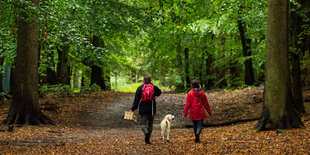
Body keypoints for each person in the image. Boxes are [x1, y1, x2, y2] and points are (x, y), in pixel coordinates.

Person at [130, 76, 161, 144]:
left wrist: (133, 109)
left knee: (143, 124)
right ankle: (148, 138)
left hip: (143, 109)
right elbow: (159, 93)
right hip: (152, 109)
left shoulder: (140, 88)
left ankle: (145, 132)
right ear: (150, 80)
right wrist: (153, 89)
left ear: (143, 80)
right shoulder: (154, 87)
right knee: (150, 124)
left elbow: (136, 100)